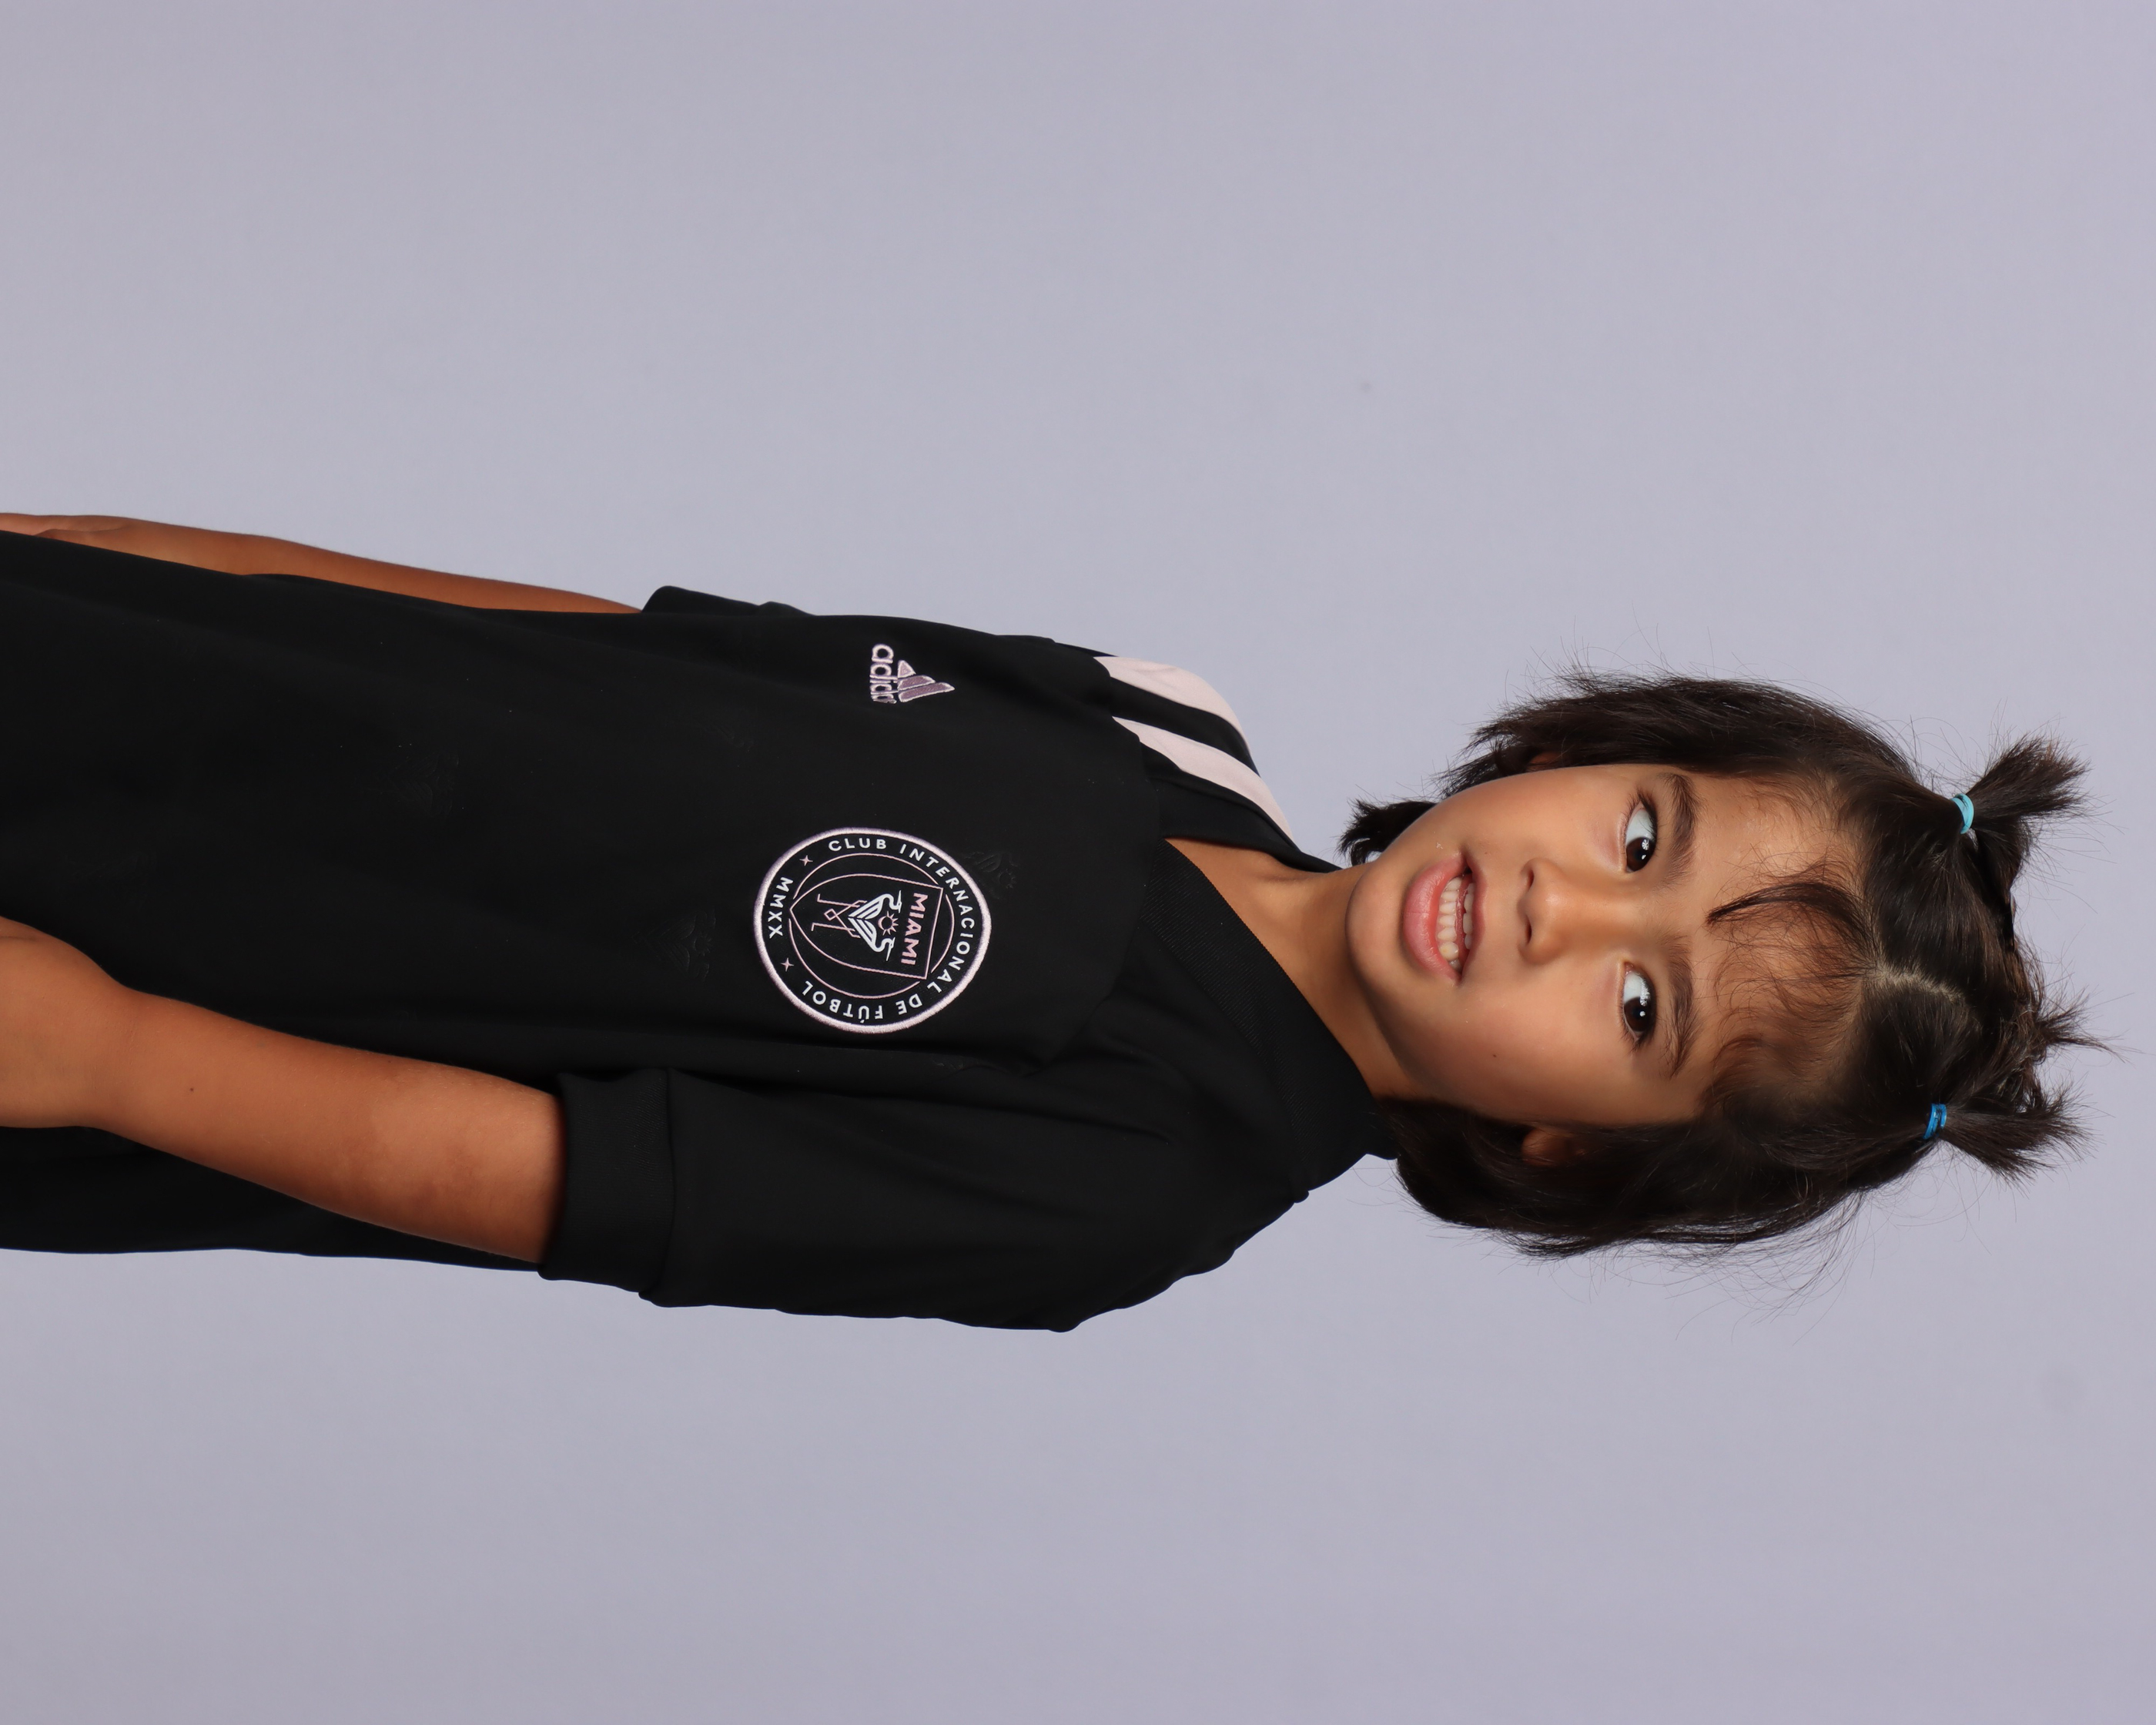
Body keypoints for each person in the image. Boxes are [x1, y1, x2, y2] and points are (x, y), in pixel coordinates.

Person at [0, 514, 2087, 1329]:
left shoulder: (1137, 1174)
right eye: (1641, 833)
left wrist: (109, 1059)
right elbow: (587, 643)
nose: (1556, 909)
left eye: (1641, 1006)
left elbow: (562, 1176)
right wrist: (105, 553)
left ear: (1567, 1148)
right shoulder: (1154, 726)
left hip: (81, 995)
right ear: (1596, 743)